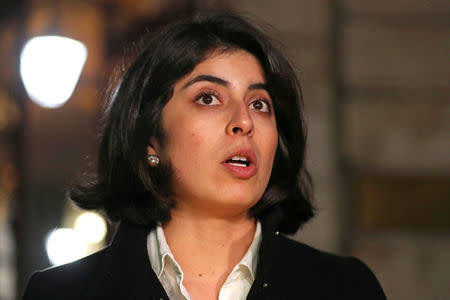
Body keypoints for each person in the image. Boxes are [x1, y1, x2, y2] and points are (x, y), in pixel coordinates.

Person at [22, 13, 386, 300]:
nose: (244, 121)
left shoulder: (345, 288)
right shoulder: (60, 294)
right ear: (150, 139)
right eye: (209, 98)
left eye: (260, 104)